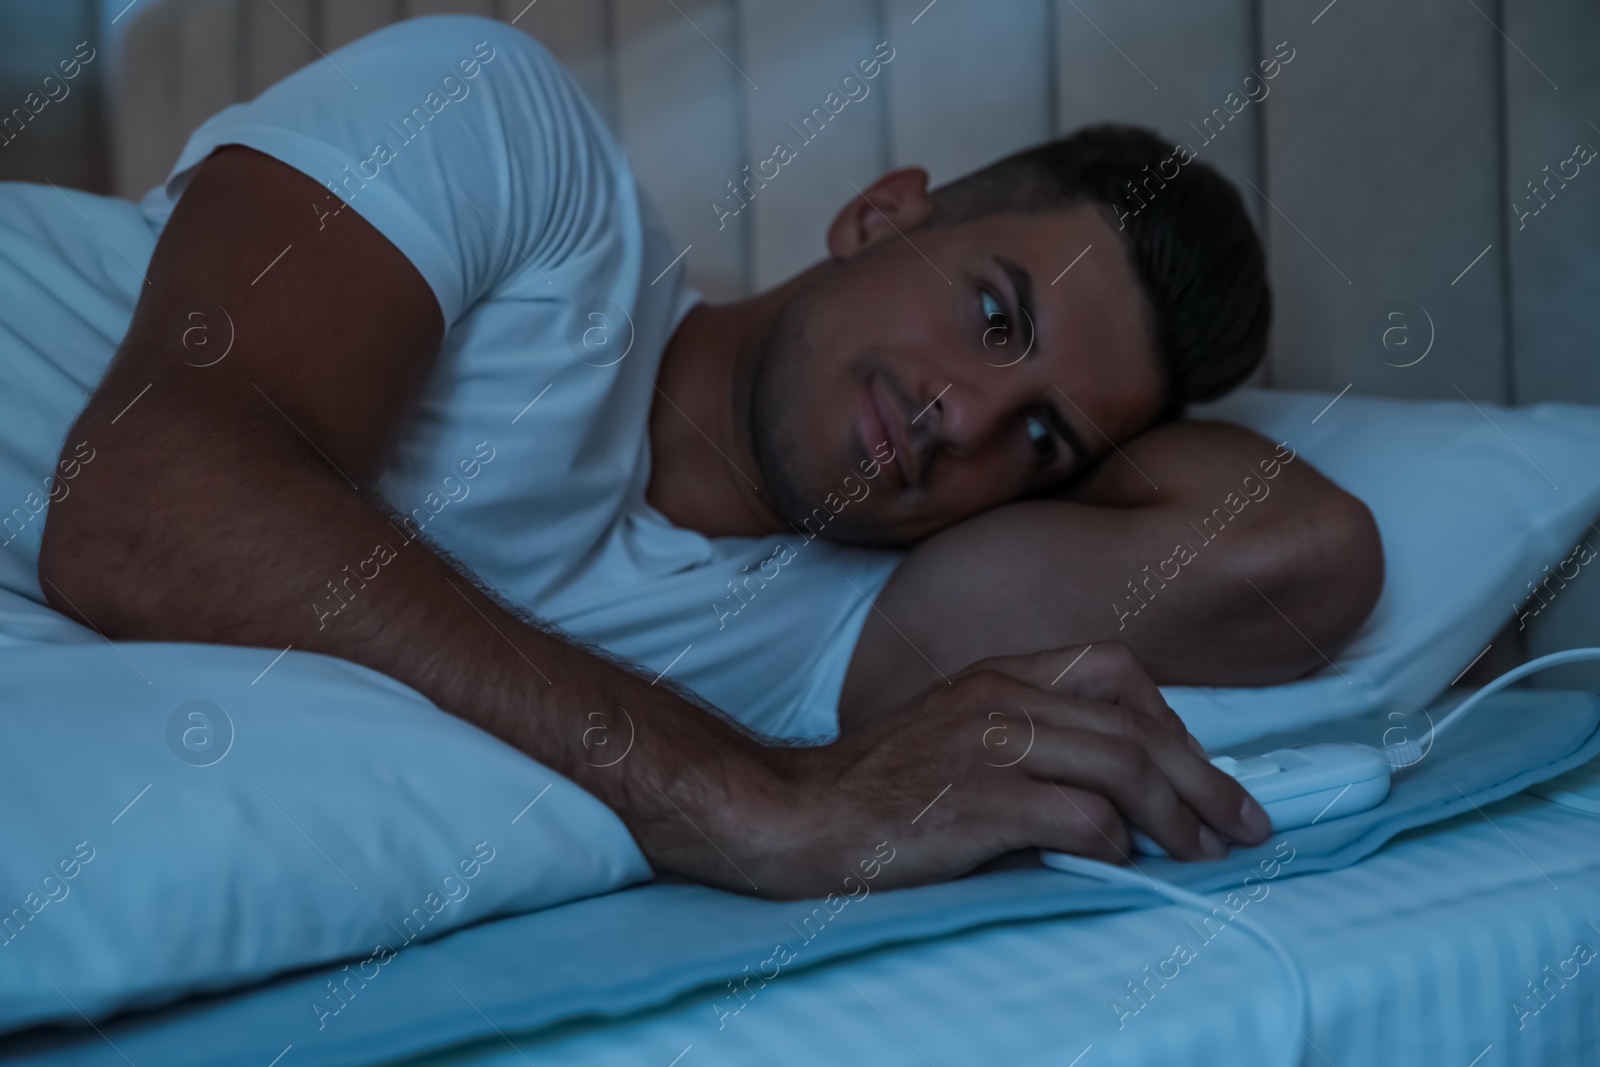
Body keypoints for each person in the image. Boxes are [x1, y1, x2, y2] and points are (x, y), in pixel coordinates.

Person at [22, 16, 1381, 900]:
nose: (960, 414)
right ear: (877, 213)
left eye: (1042, 436)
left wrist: (1074, 446)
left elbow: (1308, 558)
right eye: (991, 315)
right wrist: (744, 797)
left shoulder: (813, 645)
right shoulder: (512, 139)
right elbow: (143, 502)